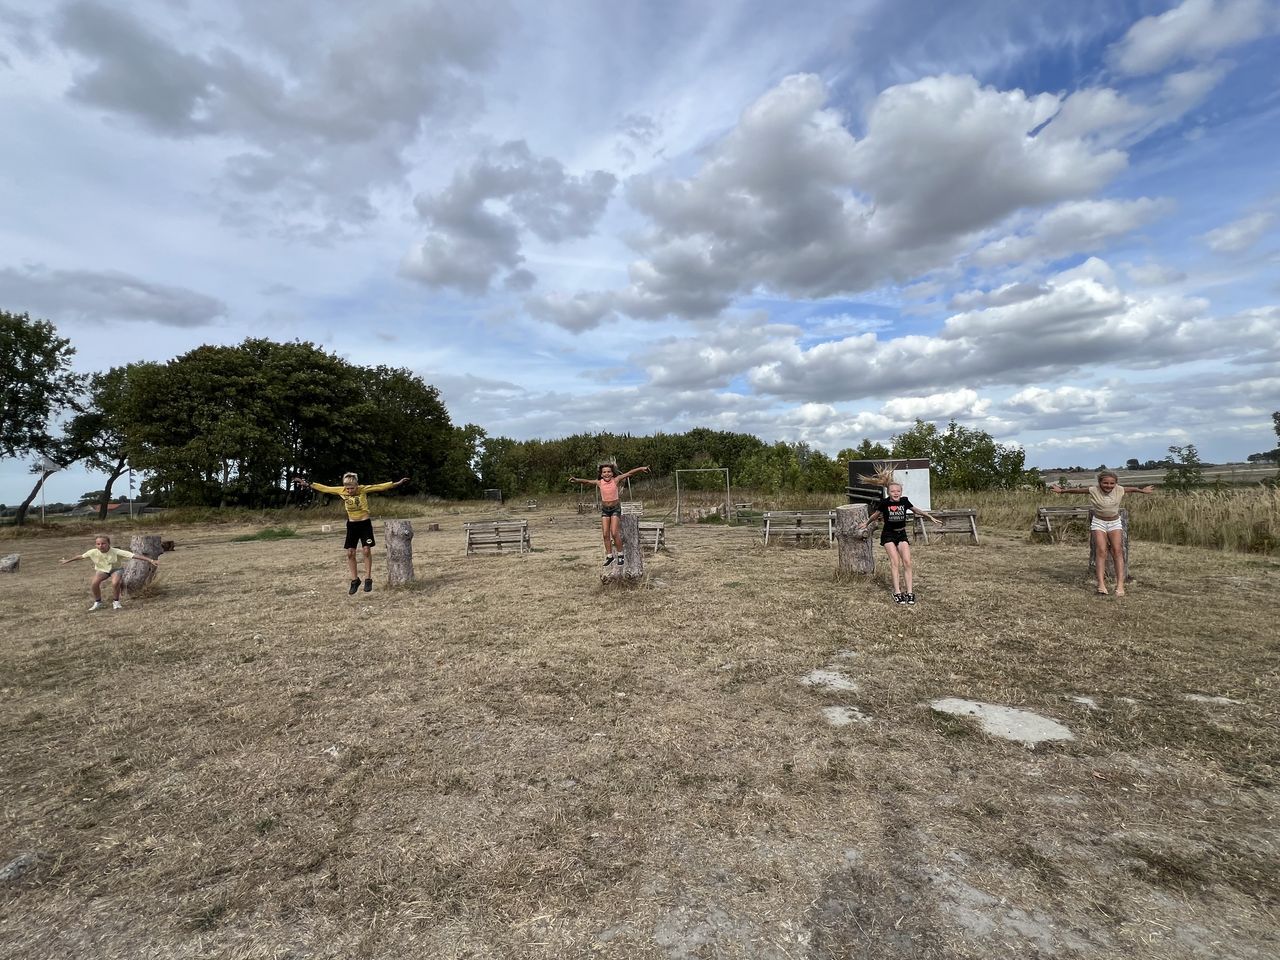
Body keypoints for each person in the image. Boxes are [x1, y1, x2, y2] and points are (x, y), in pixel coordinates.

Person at [293, 472, 409, 593]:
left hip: (364, 524)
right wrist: (308, 484)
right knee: (350, 553)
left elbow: (379, 487)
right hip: (352, 525)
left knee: (366, 550)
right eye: (347, 488)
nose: (349, 491)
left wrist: (397, 483)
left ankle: (368, 579)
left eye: (352, 488)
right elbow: (325, 488)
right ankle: (355, 580)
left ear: (356, 485)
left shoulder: (363, 489)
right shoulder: (341, 490)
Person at [1050, 471, 1155, 596]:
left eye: (1112, 483)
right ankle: (1101, 584)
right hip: (1099, 522)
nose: (1108, 486)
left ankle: (1120, 585)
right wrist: (1062, 491)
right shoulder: (1094, 490)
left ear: (1115, 483)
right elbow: (1078, 491)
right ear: (1099, 482)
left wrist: (1142, 491)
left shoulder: (1119, 489)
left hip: (1115, 522)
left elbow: (1131, 489)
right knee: (1101, 550)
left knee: (1117, 551)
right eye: (1105, 483)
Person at [859, 482, 942, 605]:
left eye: (898, 491)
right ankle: (897, 592)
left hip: (901, 534)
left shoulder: (904, 501)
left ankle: (909, 592)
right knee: (895, 562)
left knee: (907, 562)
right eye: (893, 491)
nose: (896, 493)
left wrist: (928, 516)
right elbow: (875, 515)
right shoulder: (885, 503)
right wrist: (866, 523)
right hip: (888, 534)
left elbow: (916, 510)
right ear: (888, 492)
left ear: (901, 492)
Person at [569, 463, 651, 565]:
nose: (607, 474)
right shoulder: (599, 482)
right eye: (604, 472)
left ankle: (620, 555)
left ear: (612, 473)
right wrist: (576, 480)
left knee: (614, 533)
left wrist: (641, 468)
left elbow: (629, 473)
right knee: (605, 534)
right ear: (601, 474)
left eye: (609, 472)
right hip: (605, 510)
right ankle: (609, 556)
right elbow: (586, 481)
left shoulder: (616, 480)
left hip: (615, 509)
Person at [60, 534, 159, 611]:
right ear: (95, 545)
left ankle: (116, 602)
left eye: (103, 543)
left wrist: (151, 560)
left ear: (108, 544)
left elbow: (133, 555)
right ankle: (98, 602)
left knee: (115, 583)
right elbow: (81, 556)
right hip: (102, 570)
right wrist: (67, 561)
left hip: (116, 569)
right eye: (98, 544)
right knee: (94, 583)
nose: (101, 546)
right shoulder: (92, 552)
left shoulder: (116, 551)